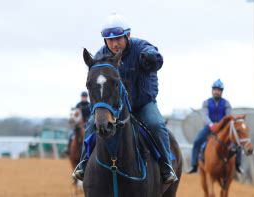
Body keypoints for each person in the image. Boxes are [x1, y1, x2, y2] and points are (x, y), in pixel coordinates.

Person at [73, 13, 178, 184]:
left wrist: (151, 56)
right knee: (92, 124)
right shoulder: (101, 55)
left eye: (119, 38)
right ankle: (83, 164)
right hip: (117, 108)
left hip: (142, 105)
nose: (114, 43)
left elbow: (157, 60)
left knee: (156, 124)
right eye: (110, 39)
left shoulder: (141, 48)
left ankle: (166, 167)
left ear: (128, 36)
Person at [187, 79, 244, 174]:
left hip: (223, 128)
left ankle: (238, 165)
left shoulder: (226, 103)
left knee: (237, 142)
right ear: (212, 90)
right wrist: (211, 124)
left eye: (219, 90)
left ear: (221, 92)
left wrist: (221, 124)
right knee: (197, 141)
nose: (216, 92)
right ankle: (194, 165)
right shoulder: (206, 102)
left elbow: (228, 116)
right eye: (215, 89)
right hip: (210, 127)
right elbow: (204, 116)